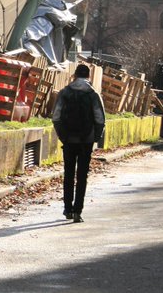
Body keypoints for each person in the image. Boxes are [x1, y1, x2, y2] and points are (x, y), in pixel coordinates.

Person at [52, 64, 105, 223]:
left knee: (68, 174)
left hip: (68, 139)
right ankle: (77, 211)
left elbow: (56, 117)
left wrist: (63, 136)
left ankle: (67, 209)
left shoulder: (65, 92)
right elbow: (100, 119)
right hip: (86, 140)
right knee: (82, 176)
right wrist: (94, 137)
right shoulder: (93, 94)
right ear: (89, 76)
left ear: (74, 75)